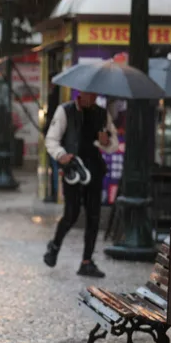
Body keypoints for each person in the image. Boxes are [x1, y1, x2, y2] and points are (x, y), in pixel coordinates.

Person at [42, 90, 119, 278]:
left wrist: (106, 141)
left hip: (94, 169)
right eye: (87, 94)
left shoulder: (102, 114)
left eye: (93, 95)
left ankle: (87, 261)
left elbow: (113, 144)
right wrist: (61, 155)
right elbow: (51, 139)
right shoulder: (65, 110)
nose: (91, 98)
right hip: (73, 169)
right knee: (71, 213)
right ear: (80, 93)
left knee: (94, 215)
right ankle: (54, 246)